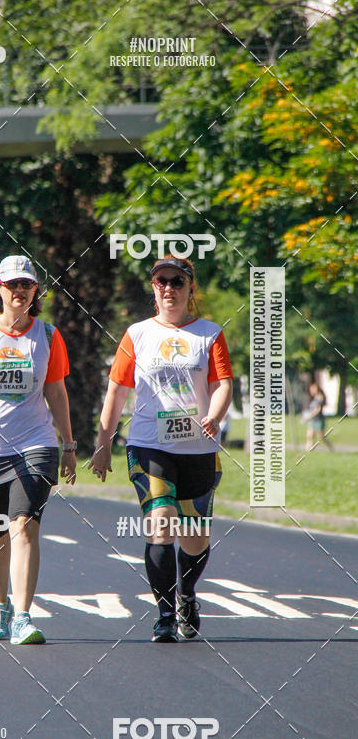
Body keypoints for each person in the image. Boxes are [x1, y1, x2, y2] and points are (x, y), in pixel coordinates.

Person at [89, 256, 233, 642]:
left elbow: (223, 384)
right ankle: (165, 614)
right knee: (162, 522)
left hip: (198, 448)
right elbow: (117, 391)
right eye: (161, 281)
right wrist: (103, 444)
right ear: (153, 288)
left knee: (195, 538)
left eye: (177, 281)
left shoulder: (209, 333)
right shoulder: (137, 334)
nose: (169, 288)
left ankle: (187, 593)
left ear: (190, 288)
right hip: (149, 444)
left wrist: (214, 415)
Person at [0, 255, 76, 645]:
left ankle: (23, 616)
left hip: (34, 442)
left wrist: (68, 445)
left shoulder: (49, 336)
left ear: (35, 290)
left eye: (27, 284)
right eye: (12, 284)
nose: (19, 291)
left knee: (24, 525)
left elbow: (56, 391)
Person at [305, 382, 332, 451]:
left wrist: (309, 416)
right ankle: (308, 451)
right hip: (313, 420)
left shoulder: (320, 398)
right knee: (310, 436)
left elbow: (318, 410)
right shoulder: (315, 398)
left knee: (322, 437)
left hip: (318, 420)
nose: (310, 391)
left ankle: (331, 449)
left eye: (312, 389)